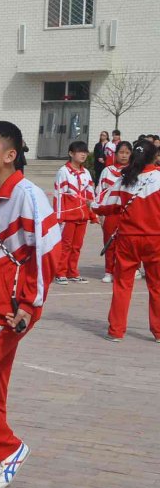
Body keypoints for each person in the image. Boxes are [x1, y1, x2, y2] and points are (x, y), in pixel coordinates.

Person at [0, 122, 58, 488]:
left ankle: (8, 449)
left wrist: (29, 304)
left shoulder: (29, 196)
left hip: (10, 310)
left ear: (9, 154)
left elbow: (47, 253)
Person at [97, 139, 160, 342]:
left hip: (127, 239)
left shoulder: (124, 179)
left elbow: (105, 205)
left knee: (122, 285)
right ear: (155, 157)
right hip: (155, 239)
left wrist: (90, 206)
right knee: (157, 286)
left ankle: (116, 331)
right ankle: (158, 332)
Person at [53, 140, 96, 284]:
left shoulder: (86, 173)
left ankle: (73, 272)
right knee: (65, 246)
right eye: (80, 151)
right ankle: (60, 272)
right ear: (71, 153)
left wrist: (92, 213)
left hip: (82, 216)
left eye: (85, 151)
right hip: (68, 217)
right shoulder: (63, 172)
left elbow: (90, 195)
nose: (83, 154)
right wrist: (59, 216)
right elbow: (59, 195)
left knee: (77, 246)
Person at [96, 140, 132, 284]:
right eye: (121, 153)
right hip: (110, 212)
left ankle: (123, 271)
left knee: (125, 244)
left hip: (127, 213)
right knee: (109, 243)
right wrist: (99, 213)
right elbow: (100, 192)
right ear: (115, 154)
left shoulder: (134, 172)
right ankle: (108, 271)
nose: (124, 156)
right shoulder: (107, 171)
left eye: (127, 153)